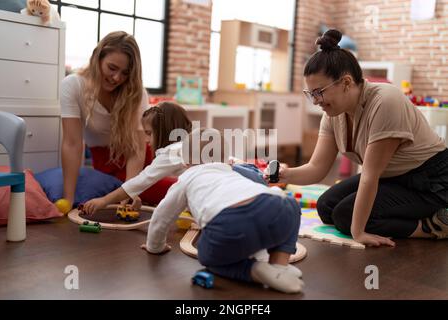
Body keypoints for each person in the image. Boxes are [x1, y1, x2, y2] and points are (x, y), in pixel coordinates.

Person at [277, 29, 448, 247]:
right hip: (392, 176)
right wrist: (283, 175)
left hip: (429, 181)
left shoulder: (385, 101)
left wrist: (358, 233)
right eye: (311, 94)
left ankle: (432, 226)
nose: (316, 101)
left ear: (346, 82)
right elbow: (317, 168)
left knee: (346, 217)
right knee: (326, 206)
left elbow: (370, 176)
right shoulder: (333, 113)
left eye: (319, 92)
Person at [139, 128, 304, 294]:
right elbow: (260, 181)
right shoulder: (232, 171)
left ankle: (254, 271)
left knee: (207, 257)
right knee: (290, 205)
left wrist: (155, 246)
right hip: (274, 208)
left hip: (229, 224)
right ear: (227, 160)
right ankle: (280, 265)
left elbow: (163, 215)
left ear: (185, 163)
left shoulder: (186, 179)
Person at [60, 31, 175, 209]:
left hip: (138, 160)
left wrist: (130, 191)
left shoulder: (136, 93)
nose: (117, 78)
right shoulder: (73, 85)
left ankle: (220, 184)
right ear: (97, 57)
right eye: (112, 68)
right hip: (106, 163)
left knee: (175, 190)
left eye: (125, 73)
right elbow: (72, 144)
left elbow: (137, 148)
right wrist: (68, 199)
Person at [82, 101, 192, 212]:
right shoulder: (185, 147)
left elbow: (142, 180)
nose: (146, 140)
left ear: (164, 131)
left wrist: (104, 201)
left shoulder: (171, 152)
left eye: (149, 133)